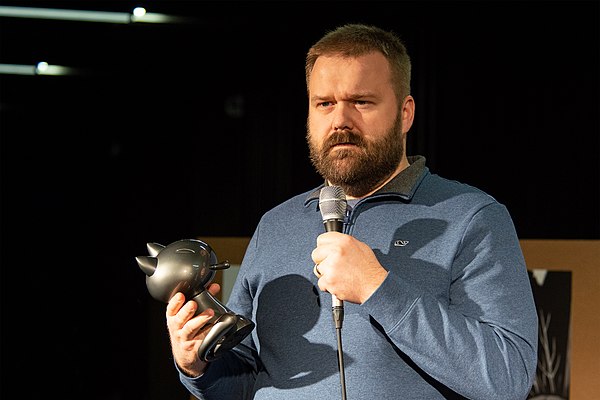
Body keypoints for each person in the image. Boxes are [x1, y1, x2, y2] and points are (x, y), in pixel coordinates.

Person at [165, 23, 539, 399]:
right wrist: (197, 364)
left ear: (405, 114)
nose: (340, 120)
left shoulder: (471, 217)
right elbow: (246, 382)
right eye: (324, 103)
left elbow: (508, 379)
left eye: (361, 101)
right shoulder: (276, 225)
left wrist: (379, 287)